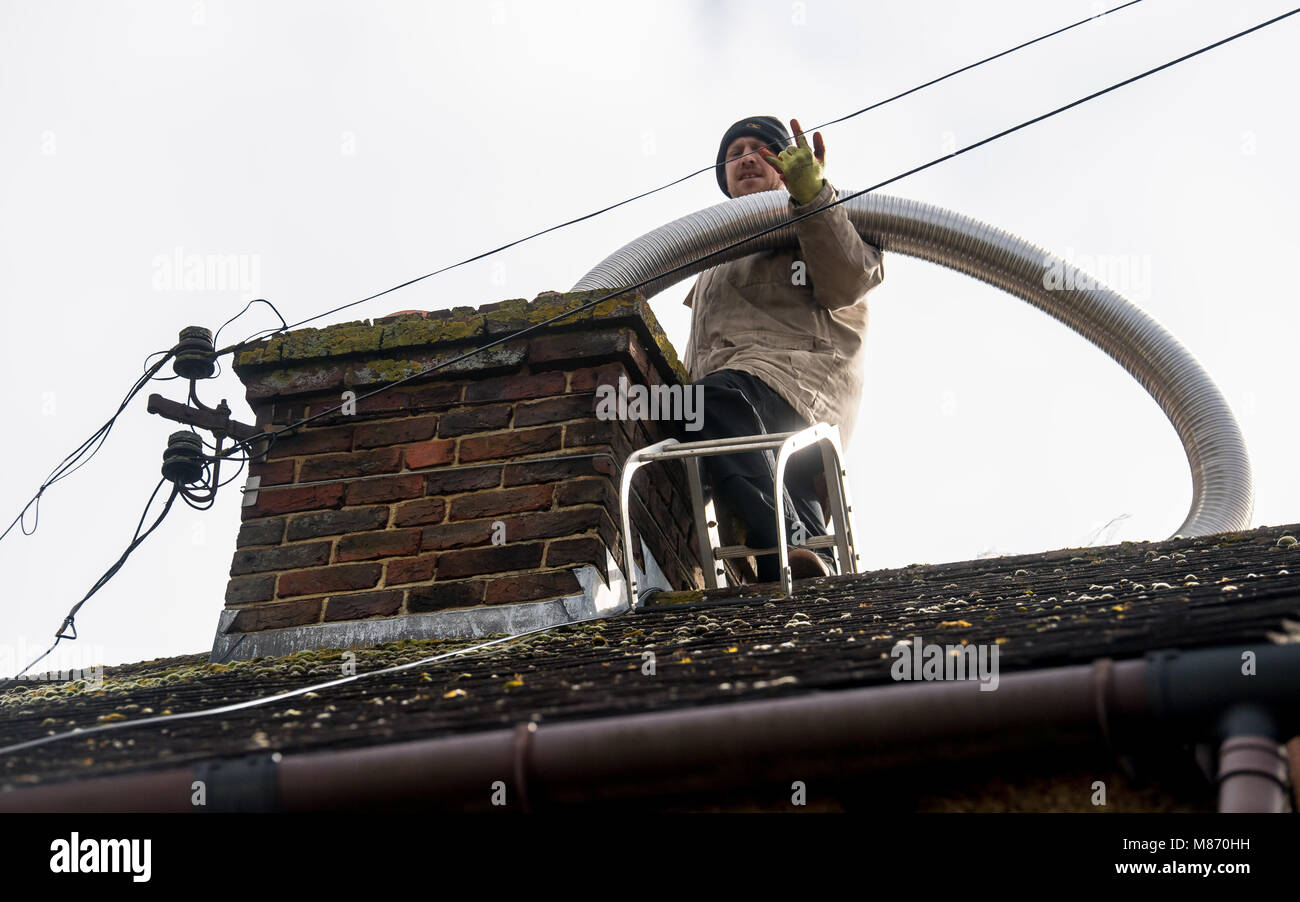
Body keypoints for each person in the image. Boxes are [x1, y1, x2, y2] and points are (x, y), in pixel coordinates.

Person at [680, 115, 884, 583]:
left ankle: (782, 542)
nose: (746, 158)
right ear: (725, 180)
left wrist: (812, 196)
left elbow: (847, 279)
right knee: (804, 551)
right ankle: (813, 572)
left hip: (793, 387)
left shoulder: (817, 216)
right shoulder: (713, 254)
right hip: (747, 412)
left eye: (759, 149)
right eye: (734, 154)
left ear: (782, 166)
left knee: (710, 402)